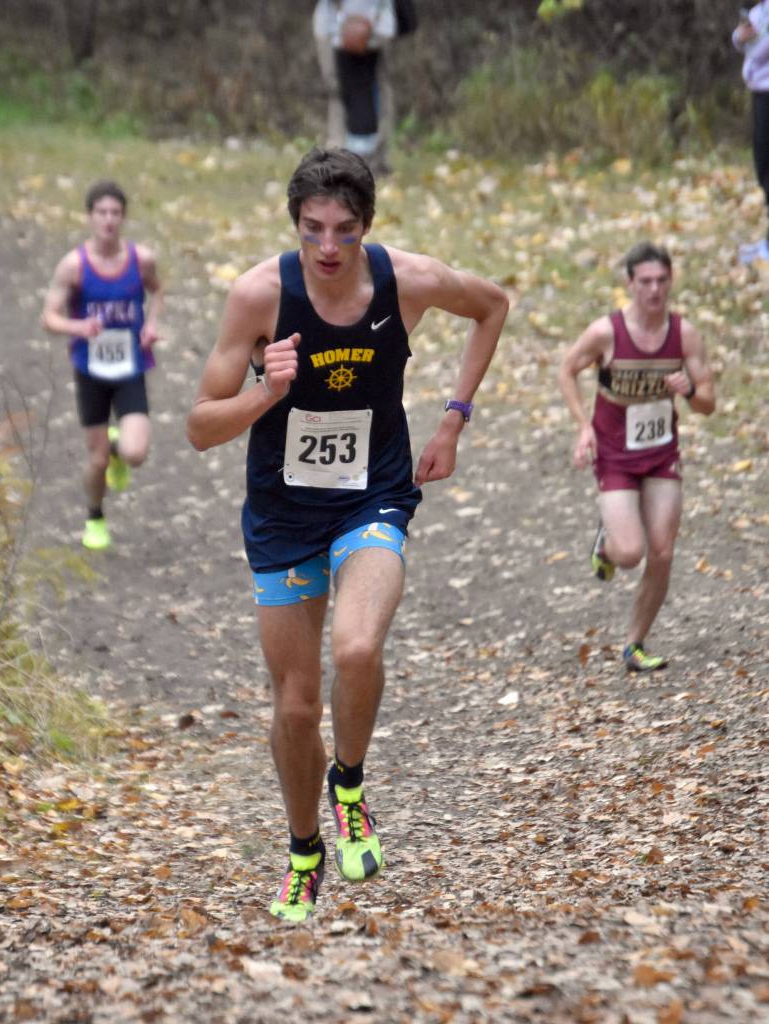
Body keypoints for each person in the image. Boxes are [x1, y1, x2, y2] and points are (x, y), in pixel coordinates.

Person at [186, 147, 508, 922]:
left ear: (368, 226)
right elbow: (200, 427)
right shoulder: (259, 297)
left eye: (344, 230)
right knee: (296, 709)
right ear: (293, 222)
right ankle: (304, 851)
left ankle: (351, 784)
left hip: (373, 498)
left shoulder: (408, 282)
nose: (328, 248)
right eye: (311, 229)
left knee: (358, 648)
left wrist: (454, 420)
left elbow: (493, 305)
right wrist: (268, 390)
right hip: (282, 516)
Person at [557, 243, 715, 673]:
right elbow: (567, 369)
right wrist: (583, 425)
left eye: (662, 280)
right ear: (630, 284)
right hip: (614, 455)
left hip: (662, 454)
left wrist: (688, 392)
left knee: (662, 551)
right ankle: (606, 543)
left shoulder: (684, 335)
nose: (654, 289)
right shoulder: (607, 332)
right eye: (645, 281)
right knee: (630, 554)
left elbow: (708, 404)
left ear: (671, 282)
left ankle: (635, 644)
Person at [42, 181, 163, 550]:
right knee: (95, 460)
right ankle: (95, 517)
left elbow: (157, 290)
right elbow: (48, 317)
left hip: (130, 366)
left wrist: (152, 324)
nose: (109, 220)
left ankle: (119, 451)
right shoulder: (74, 266)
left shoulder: (141, 260)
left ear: (123, 217)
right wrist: (77, 326)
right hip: (91, 370)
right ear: (90, 217)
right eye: (102, 212)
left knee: (136, 453)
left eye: (115, 213)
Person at [313, 0, 397, 175]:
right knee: (341, 91)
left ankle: (371, 158)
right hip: (336, 30)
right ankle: (341, 157)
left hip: (375, 28)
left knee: (374, 92)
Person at [733, 3, 769, 263]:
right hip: (760, 94)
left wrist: (760, 37)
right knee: (764, 167)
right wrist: (741, 36)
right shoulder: (762, 9)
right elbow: (741, 39)